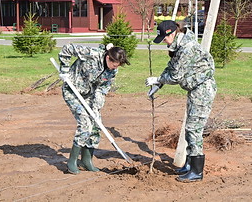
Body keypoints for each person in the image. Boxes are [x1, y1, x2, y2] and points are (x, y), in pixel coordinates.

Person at [145, 20, 217, 183]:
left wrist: (157, 79)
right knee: (189, 128)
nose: (163, 40)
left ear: (172, 33)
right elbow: (171, 66)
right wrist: (159, 84)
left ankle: (197, 171)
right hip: (195, 90)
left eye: (164, 37)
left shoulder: (187, 48)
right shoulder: (180, 44)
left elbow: (176, 76)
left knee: (194, 128)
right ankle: (190, 164)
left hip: (202, 90)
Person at [58, 43, 129, 174]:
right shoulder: (92, 54)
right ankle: (72, 161)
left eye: (118, 65)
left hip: (88, 95)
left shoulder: (113, 70)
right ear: (108, 57)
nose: (115, 67)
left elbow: (102, 89)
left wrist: (96, 107)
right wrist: (64, 70)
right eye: (114, 64)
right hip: (72, 91)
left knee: (96, 126)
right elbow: (67, 48)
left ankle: (86, 161)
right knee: (85, 124)